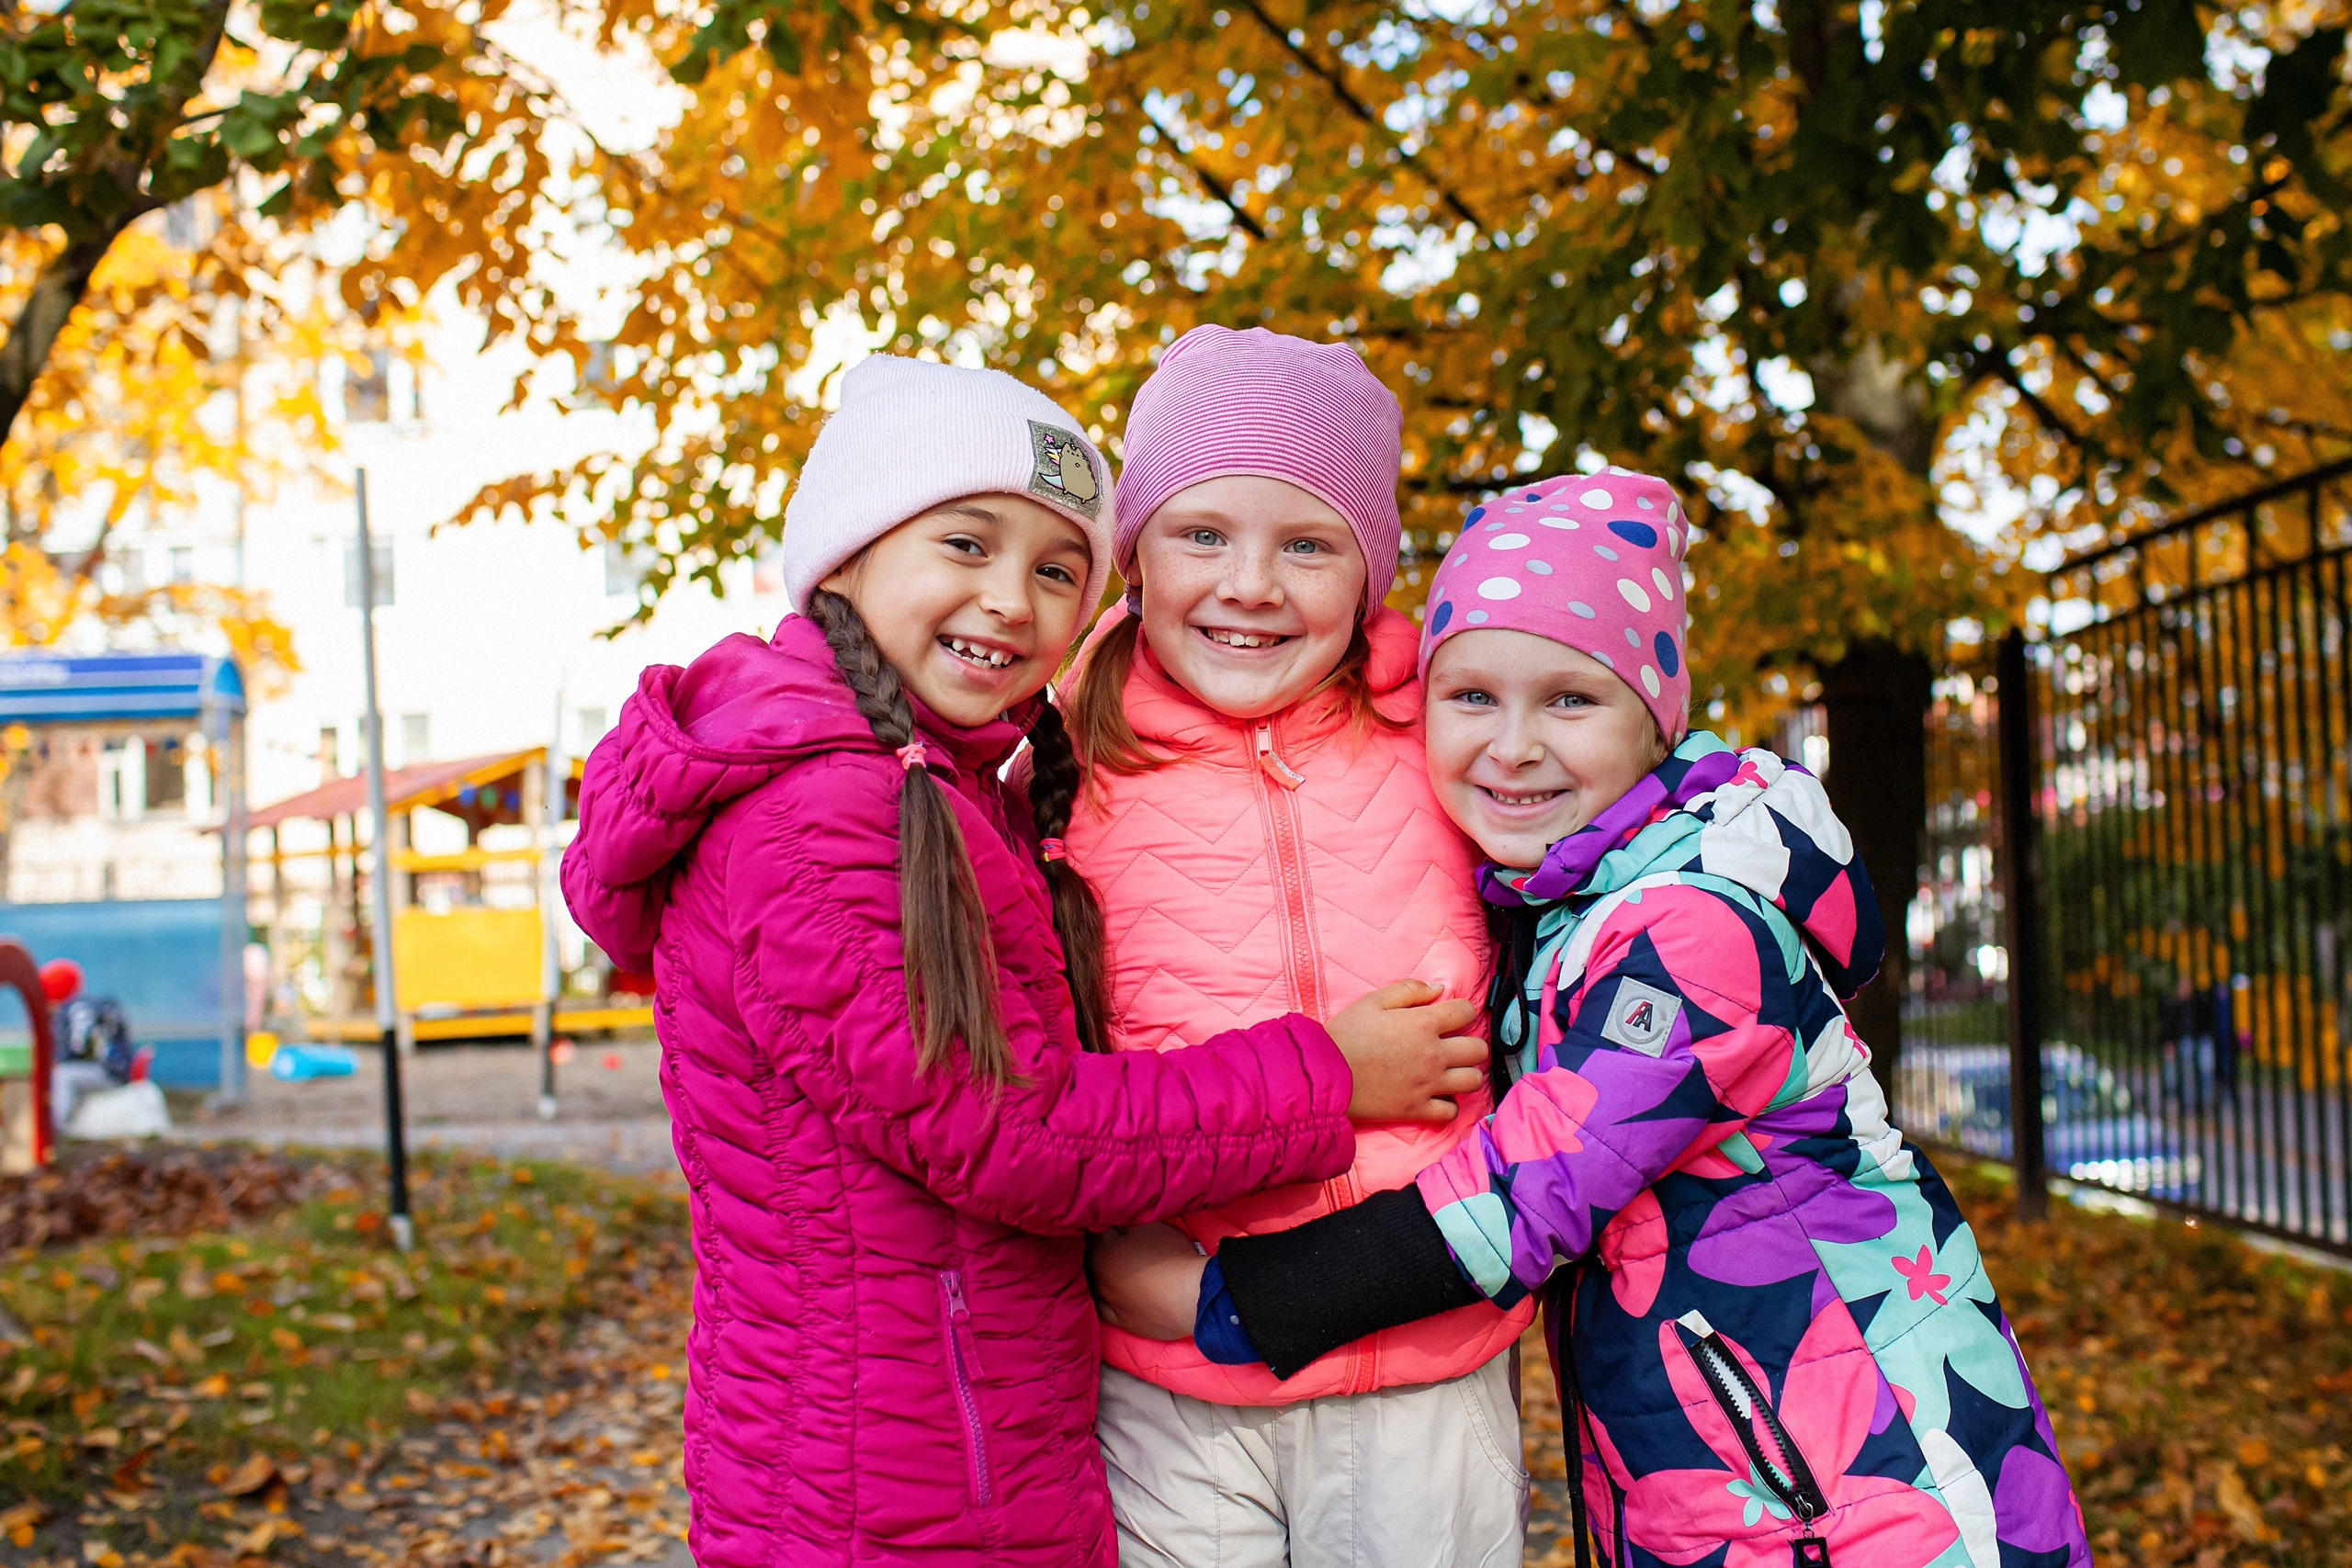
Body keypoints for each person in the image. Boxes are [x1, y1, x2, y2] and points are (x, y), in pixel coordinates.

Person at [559, 356, 1488, 1568]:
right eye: (966, 543)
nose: (1011, 598)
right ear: (845, 552)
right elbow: (1006, 1128)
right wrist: (1326, 1075)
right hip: (889, 1474)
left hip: (958, 1437)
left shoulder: (939, 784)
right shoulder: (824, 812)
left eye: (1057, 568)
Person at [1095, 468, 2092, 1567]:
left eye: (1570, 700)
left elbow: (1527, 1192)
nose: (1512, 745)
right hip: (1728, 1457)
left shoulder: (1690, 928)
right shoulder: (1570, 902)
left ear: (1652, 721)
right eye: (1470, 698)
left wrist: (1225, 1301)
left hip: (1870, 1477)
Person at [1065, 326, 1536, 1568]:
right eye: (1202, 531)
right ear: (1135, 550)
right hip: (1172, 1380)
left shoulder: (1444, 732)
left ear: (1372, 571)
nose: (1252, 584)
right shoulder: (1063, 760)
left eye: (1309, 543)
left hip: (1425, 1365)